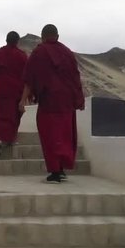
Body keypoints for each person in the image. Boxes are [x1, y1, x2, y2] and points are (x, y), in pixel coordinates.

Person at [19, 24, 84, 183]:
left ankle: (55, 171)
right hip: (67, 102)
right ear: (58, 36)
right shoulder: (67, 53)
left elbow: (29, 78)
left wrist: (22, 101)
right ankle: (61, 169)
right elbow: (75, 77)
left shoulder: (40, 51)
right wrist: (79, 99)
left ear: (42, 36)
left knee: (50, 134)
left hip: (49, 100)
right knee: (64, 134)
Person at [0, 31, 28, 157]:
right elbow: (27, 76)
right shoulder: (22, 56)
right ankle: (10, 139)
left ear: (6, 40)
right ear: (17, 41)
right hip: (14, 91)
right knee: (13, 116)